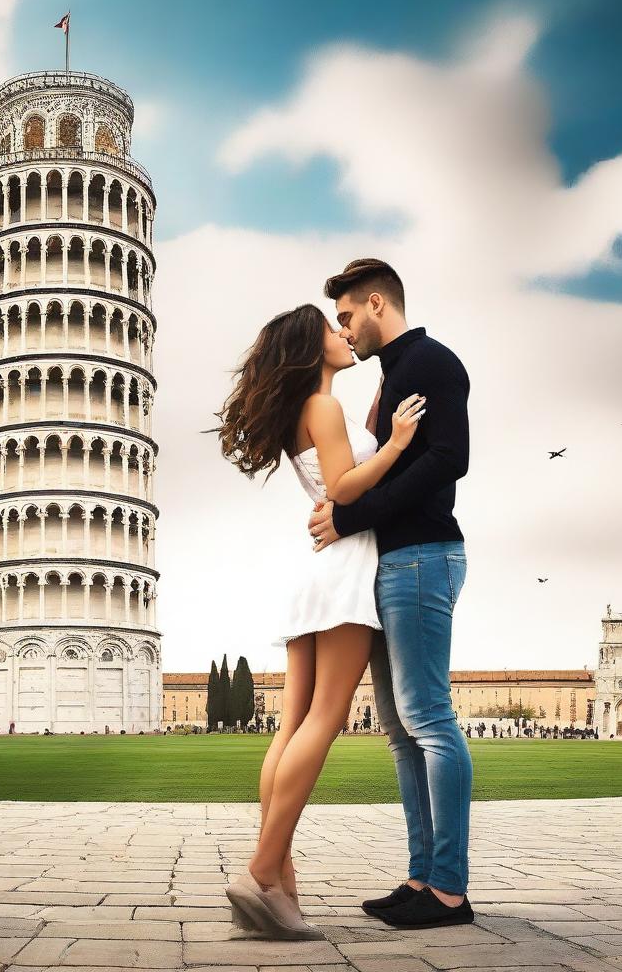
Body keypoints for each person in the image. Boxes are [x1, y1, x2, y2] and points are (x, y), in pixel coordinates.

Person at [212, 300, 426, 940]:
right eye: (332, 327)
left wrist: (371, 446)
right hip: (343, 570)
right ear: (313, 347)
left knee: (291, 727)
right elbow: (345, 488)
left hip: (314, 572)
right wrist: (395, 444)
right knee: (326, 720)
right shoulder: (324, 406)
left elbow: (332, 481)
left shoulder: (306, 411)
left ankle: (279, 881)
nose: (344, 332)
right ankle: (260, 870)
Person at [308, 258, 474, 930]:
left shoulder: (430, 362)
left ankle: (450, 891)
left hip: (423, 556)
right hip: (397, 561)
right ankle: (421, 877)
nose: (344, 330)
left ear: (376, 302)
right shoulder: (393, 375)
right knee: (403, 732)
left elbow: (449, 457)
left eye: (347, 315)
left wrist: (352, 517)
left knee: (429, 720)